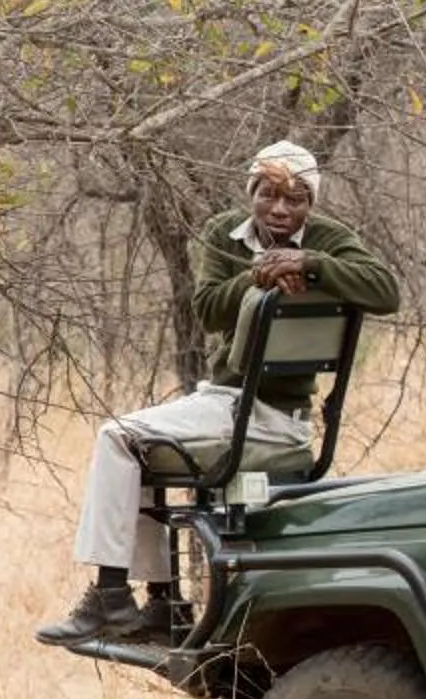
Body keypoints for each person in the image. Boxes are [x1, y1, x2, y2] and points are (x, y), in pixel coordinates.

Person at [38, 140, 402, 646]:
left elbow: (386, 290)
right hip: (225, 402)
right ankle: (162, 601)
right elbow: (208, 309)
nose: (280, 208)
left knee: (114, 437)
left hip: (270, 416)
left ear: (310, 205)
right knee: (133, 447)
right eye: (269, 194)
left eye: (295, 199)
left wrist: (309, 263)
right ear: (251, 192)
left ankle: (110, 596)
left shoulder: (329, 239)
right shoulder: (223, 233)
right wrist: (258, 277)